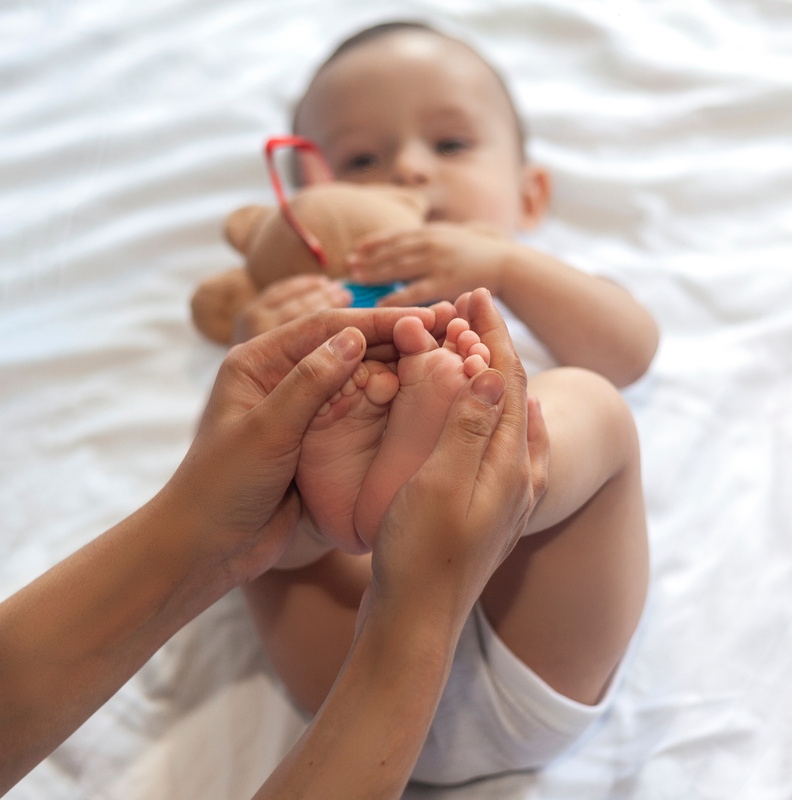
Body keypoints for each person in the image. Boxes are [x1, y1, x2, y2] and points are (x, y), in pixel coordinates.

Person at [218, 21, 657, 784]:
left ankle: (493, 466)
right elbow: (220, 473)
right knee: (250, 473)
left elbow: (632, 351)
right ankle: (361, 501)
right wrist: (265, 337)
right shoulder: (315, 314)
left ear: (530, 194)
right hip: (355, 656)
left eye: (451, 145)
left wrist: (507, 265)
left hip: (531, 634)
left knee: (588, 399)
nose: (409, 173)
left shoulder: (539, 291)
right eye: (361, 160)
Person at [0, 292, 550, 798]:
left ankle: (336, 516)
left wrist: (200, 529)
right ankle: (479, 470)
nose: (410, 178)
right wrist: (418, 613)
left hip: (340, 697)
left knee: (281, 547)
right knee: (588, 403)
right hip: (467, 652)